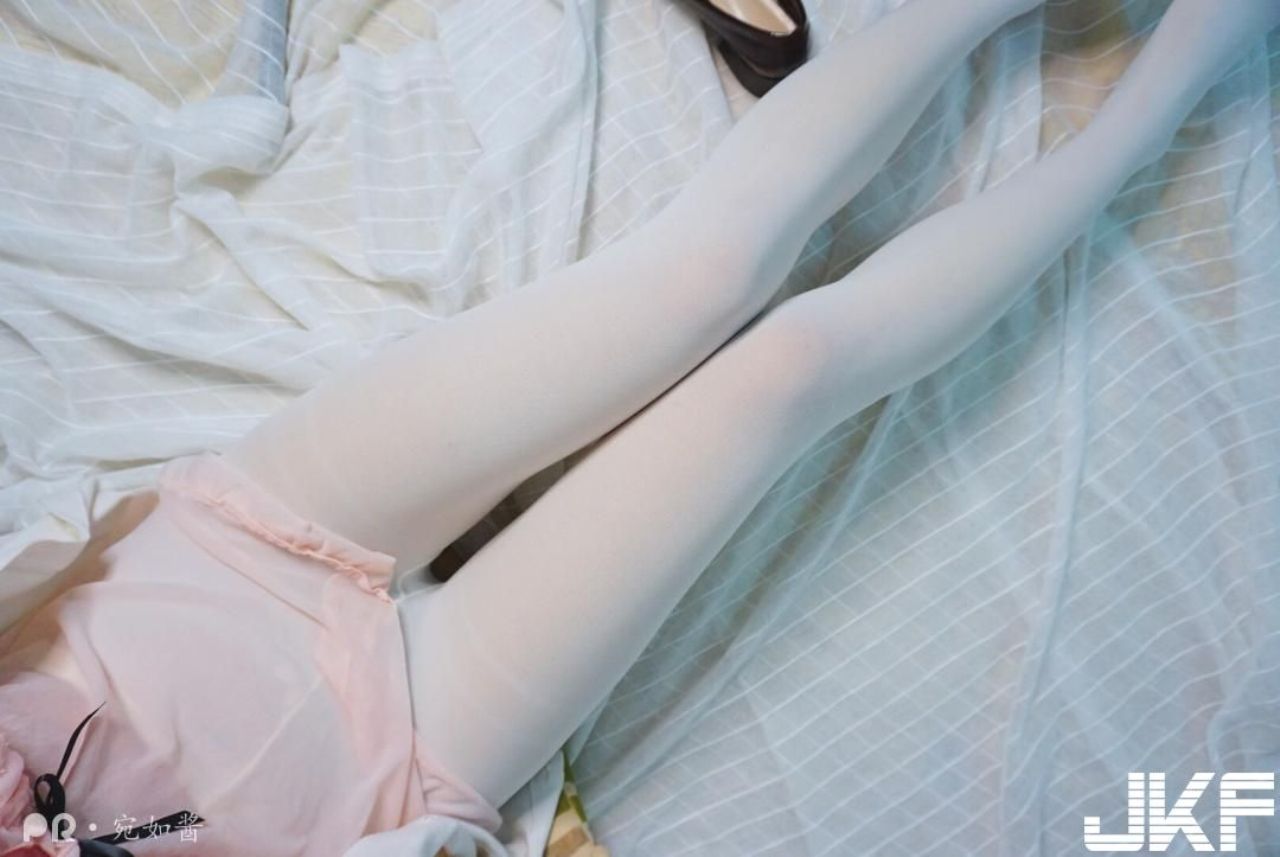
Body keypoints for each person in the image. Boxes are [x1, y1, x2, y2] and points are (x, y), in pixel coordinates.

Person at [2, 0, 1275, 854]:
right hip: (389, 765)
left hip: (219, 558)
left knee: (697, 277)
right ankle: (1171, 91)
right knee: (784, 372)